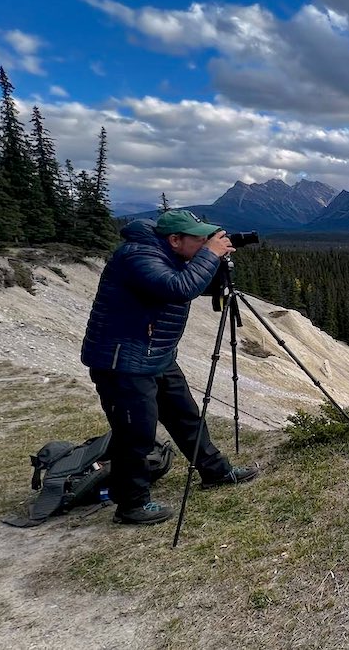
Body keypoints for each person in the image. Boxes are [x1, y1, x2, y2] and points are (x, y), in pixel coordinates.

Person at [81, 209, 258, 525]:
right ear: (175, 239)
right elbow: (178, 288)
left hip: (156, 354)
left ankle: (214, 471)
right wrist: (209, 255)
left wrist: (214, 264)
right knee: (136, 434)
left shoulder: (166, 255)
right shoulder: (138, 256)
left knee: (187, 416)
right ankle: (131, 505)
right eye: (200, 239)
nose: (207, 244)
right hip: (123, 361)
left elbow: (192, 285)